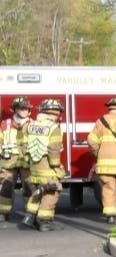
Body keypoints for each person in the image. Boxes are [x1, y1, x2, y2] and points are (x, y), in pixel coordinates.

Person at [22, 99, 66, 231]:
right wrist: (57, 167)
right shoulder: (54, 128)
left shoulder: (30, 125)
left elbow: (24, 146)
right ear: (56, 113)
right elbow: (53, 151)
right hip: (47, 167)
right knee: (52, 191)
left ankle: (29, 217)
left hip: (34, 167)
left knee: (38, 190)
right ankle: (44, 221)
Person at [0, 97, 34, 227]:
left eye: (27, 108)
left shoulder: (33, 124)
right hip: (9, 162)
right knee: (5, 187)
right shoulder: (5, 124)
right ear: (15, 109)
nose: (25, 111)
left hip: (27, 162)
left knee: (30, 188)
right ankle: (3, 212)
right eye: (22, 108)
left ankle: (31, 213)